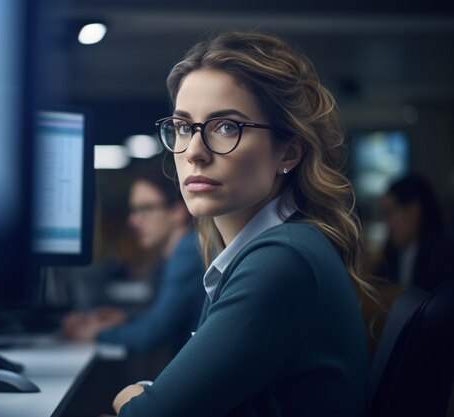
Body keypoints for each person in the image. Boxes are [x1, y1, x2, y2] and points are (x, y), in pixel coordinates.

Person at [111, 32, 371, 417]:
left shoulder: (282, 261)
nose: (195, 152)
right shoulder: (272, 249)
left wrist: (129, 396)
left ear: (289, 150)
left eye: (227, 127)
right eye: (184, 127)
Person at [62, 166, 206, 354]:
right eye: (133, 211)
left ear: (178, 212)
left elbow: (150, 334)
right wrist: (125, 318)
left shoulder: (188, 252)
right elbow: (161, 318)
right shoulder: (177, 254)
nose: (133, 221)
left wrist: (95, 332)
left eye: (145, 209)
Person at [376, 174, 454, 291]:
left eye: (390, 212)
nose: (387, 222)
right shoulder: (389, 255)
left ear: (413, 211)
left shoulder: (444, 259)